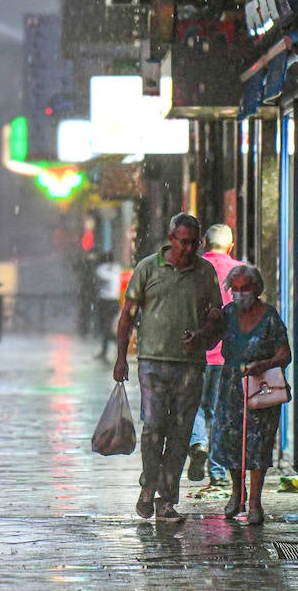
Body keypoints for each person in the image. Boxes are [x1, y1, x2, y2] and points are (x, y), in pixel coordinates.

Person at [113, 213, 224, 522]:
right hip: (153, 361)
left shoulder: (205, 273)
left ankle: (166, 498)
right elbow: (128, 315)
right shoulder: (149, 268)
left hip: (190, 364)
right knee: (153, 428)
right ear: (171, 239)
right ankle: (148, 485)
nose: (188, 249)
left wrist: (202, 335)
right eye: (182, 242)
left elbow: (217, 317)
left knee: (179, 432)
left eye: (193, 243)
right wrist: (121, 357)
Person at [210, 263, 292, 525]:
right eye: (235, 289)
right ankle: (237, 491)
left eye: (246, 289)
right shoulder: (228, 313)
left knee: (259, 443)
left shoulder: (269, 317)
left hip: (261, 388)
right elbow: (211, 340)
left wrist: (263, 365)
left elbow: (285, 353)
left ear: (256, 289)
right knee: (231, 439)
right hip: (232, 384)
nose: (240, 294)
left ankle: (255, 501)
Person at [186, 223, 239, 484]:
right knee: (220, 411)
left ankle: (198, 443)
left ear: (204, 243)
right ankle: (217, 473)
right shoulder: (240, 273)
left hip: (197, 351)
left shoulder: (193, 270)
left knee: (193, 404)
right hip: (228, 354)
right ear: (231, 246)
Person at [93, 252, 123, 360]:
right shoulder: (118, 269)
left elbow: (99, 277)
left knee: (104, 327)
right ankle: (115, 345)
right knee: (108, 326)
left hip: (105, 301)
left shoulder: (101, 270)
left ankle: (117, 344)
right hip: (115, 301)